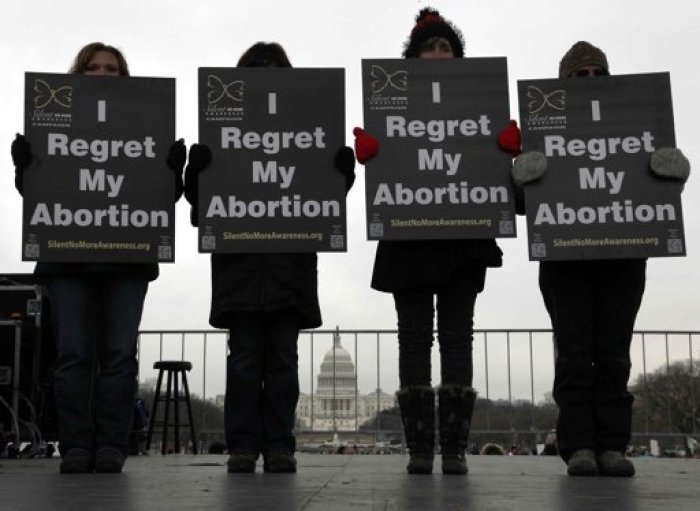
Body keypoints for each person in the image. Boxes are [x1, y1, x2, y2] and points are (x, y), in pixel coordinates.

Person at [512, 41, 691, 477]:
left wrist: (675, 174)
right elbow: (524, 203)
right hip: (564, 260)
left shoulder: (636, 124)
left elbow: (652, 192)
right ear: (564, 82)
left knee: (615, 354)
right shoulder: (546, 130)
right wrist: (521, 178)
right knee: (574, 354)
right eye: (579, 75)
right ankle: (578, 447)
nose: (589, 81)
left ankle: (613, 445)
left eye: (597, 73)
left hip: (623, 258)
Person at [355, 8, 518, 475]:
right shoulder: (393, 105)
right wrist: (375, 153)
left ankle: (453, 449)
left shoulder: (480, 107)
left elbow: (503, 180)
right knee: (413, 340)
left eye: (446, 47)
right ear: (413, 57)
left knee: (457, 339)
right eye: (430, 47)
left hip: (463, 239)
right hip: (408, 238)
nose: (438, 53)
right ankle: (421, 449)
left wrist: (506, 153)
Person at [11, 42, 186, 474]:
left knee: (118, 356)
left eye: (112, 68)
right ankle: (75, 444)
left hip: (127, 261)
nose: (103, 74)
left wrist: (172, 174)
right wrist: (25, 170)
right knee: (73, 355)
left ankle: (111, 444)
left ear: (124, 77)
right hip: (68, 262)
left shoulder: (148, 125)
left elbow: (158, 200)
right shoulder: (56, 123)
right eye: (94, 68)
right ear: (79, 74)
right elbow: (45, 197)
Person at [184, 42, 356, 474]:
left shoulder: (308, 131)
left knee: (282, 361)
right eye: (257, 72)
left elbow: (317, 200)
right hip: (240, 268)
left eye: (275, 71)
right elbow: (201, 212)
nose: (266, 80)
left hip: (287, 267)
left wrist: (340, 176)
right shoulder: (223, 134)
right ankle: (242, 444)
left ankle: (280, 444)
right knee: (243, 361)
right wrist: (195, 176)